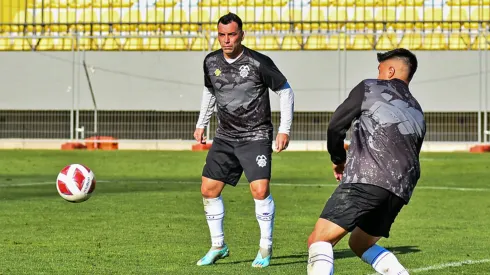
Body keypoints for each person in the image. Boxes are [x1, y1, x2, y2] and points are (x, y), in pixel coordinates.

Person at [306, 48, 426, 275]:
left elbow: (335, 126)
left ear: (390, 70)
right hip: (400, 189)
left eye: (380, 70)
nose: (378, 74)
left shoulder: (370, 87)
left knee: (319, 239)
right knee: (360, 243)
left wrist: (338, 159)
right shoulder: (416, 108)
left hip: (367, 179)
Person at [193, 12, 294, 268]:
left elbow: (285, 90)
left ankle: (265, 247)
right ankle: (218, 245)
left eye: (232, 35)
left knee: (260, 190)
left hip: (255, 135)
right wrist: (201, 123)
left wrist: (284, 129)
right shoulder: (210, 61)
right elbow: (209, 91)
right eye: (222, 35)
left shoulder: (259, 62)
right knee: (208, 189)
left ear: (242, 35)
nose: (227, 40)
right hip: (225, 136)